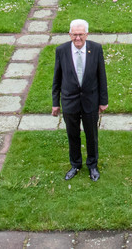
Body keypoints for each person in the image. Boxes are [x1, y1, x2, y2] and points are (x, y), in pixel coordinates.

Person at [51, 19, 108, 182]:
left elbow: (101, 76)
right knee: (72, 135)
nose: (77, 38)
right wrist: (55, 103)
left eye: (80, 34)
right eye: (74, 35)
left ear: (86, 34)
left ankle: (92, 165)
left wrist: (103, 100)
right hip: (70, 102)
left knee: (92, 135)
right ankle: (75, 164)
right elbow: (57, 78)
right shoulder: (61, 50)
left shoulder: (96, 49)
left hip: (90, 101)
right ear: (69, 34)